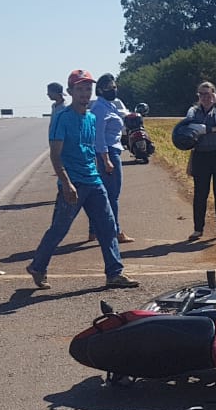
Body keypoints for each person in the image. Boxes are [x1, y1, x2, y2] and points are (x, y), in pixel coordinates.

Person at [25, 69, 139, 291]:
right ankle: (38, 266)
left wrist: (103, 164)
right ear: (70, 92)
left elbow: (90, 150)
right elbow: (55, 154)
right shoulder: (62, 118)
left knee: (107, 227)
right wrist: (66, 183)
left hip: (94, 180)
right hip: (73, 183)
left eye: (88, 89)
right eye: (80, 89)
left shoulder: (91, 118)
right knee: (59, 228)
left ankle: (114, 273)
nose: (85, 93)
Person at [186, 81, 216, 241]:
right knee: (200, 195)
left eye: (208, 94)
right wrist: (211, 129)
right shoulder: (193, 111)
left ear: (214, 94)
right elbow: (192, 128)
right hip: (201, 157)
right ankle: (198, 229)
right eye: (201, 94)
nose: (204, 97)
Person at [89, 73, 133, 244]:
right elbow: (98, 135)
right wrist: (106, 159)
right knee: (112, 196)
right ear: (100, 90)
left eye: (114, 87)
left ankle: (94, 230)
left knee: (104, 195)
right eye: (109, 88)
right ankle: (115, 232)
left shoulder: (108, 105)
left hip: (110, 151)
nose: (113, 90)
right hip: (108, 153)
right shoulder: (100, 108)